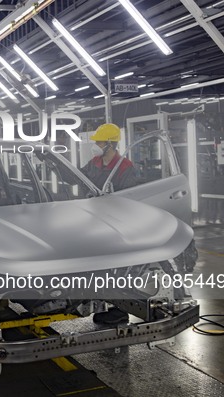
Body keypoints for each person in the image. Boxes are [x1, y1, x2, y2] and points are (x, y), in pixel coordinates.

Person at [81, 123, 136, 325]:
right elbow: (76, 178)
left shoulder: (125, 167)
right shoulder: (95, 162)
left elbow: (127, 196)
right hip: (95, 220)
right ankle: (104, 303)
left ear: (111, 144)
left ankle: (120, 311)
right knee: (101, 267)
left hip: (116, 223)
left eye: (100, 141)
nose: (96, 145)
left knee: (118, 268)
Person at [81, 123, 136, 192]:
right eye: (96, 142)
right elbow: (78, 177)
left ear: (110, 145)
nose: (95, 146)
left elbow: (128, 195)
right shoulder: (94, 162)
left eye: (99, 143)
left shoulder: (125, 166)